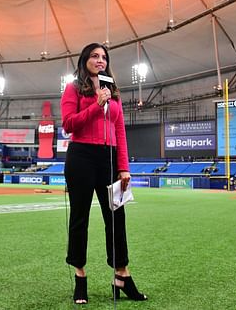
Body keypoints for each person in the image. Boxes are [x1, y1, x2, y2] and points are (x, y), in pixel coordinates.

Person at [61, 42, 147, 304]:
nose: (100, 60)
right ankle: (80, 275)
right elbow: (68, 125)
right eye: (95, 56)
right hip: (81, 157)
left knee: (116, 218)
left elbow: (120, 131)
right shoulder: (74, 88)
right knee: (80, 218)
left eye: (104, 57)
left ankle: (122, 274)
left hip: (109, 159)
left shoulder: (114, 91)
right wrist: (96, 106)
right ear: (85, 59)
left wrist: (124, 167)